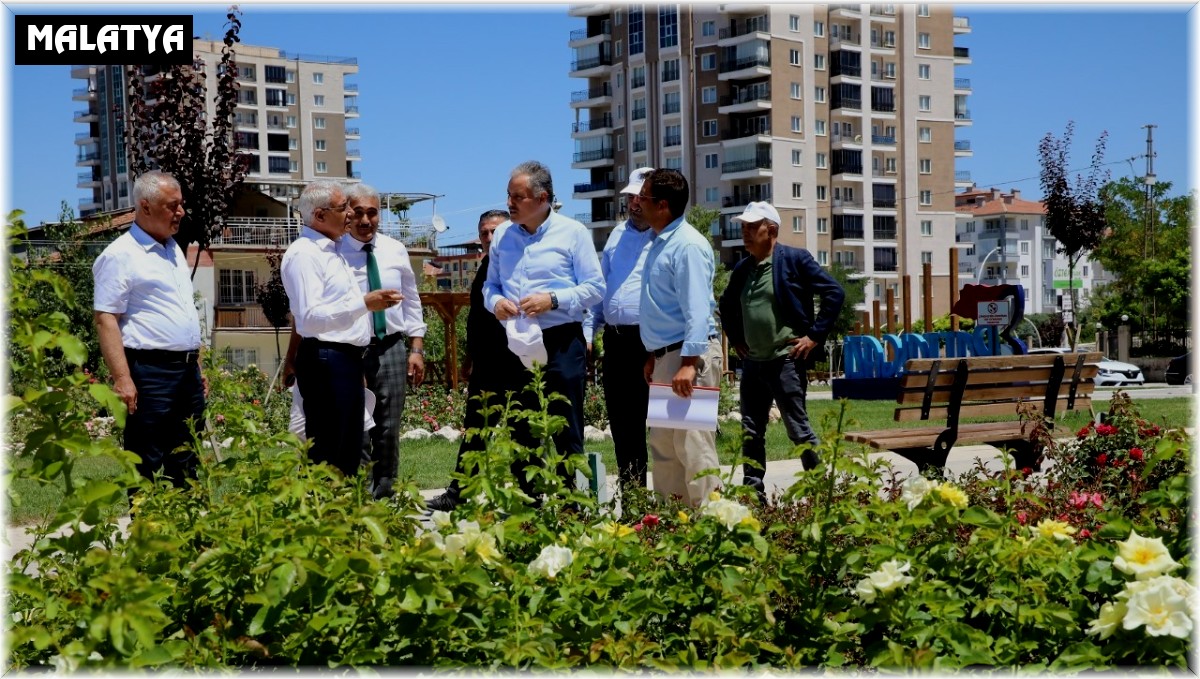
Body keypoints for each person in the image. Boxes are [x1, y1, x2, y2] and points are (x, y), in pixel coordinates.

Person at [483, 161, 604, 499]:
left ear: (543, 198)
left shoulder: (573, 233)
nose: (509, 203)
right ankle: (528, 508)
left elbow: (596, 288)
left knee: (566, 427)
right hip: (518, 341)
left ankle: (570, 507)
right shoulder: (503, 235)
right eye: (508, 195)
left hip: (561, 340)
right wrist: (496, 303)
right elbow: (490, 286)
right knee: (521, 428)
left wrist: (553, 299)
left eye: (517, 197)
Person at [718, 202, 846, 500]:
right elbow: (726, 303)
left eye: (752, 227)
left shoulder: (794, 260)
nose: (745, 232)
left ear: (771, 230)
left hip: (785, 361)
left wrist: (813, 336)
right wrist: (735, 337)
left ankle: (821, 493)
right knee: (751, 432)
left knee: (798, 429)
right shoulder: (743, 268)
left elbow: (834, 292)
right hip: (753, 364)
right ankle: (754, 496)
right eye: (743, 227)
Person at [281, 180, 403, 478]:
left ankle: (344, 505)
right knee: (330, 451)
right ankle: (326, 506)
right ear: (320, 215)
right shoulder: (305, 254)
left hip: (343, 359)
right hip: (326, 359)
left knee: (348, 450)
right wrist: (364, 303)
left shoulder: (331, 250)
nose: (350, 213)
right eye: (343, 208)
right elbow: (310, 318)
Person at [93, 170, 205, 488]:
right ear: (145, 206)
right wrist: (122, 378)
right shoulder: (120, 255)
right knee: (149, 459)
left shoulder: (173, 250)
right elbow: (106, 318)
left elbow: (182, 310)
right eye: (172, 205)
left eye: (181, 204)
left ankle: (186, 519)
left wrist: (197, 365)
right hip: (150, 373)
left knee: (187, 457)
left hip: (186, 372)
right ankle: (147, 520)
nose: (180, 212)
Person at [426, 209, 526, 511]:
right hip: (486, 364)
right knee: (476, 431)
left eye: (495, 231)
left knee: (521, 431)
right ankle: (459, 493)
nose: (489, 237)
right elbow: (477, 321)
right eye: (484, 232)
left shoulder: (518, 264)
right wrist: (469, 358)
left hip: (517, 362)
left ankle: (526, 496)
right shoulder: (484, 267)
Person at [636, 169, 723, 507]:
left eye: (643, 196)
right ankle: (674, 523)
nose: (637, 201)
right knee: (666, 448)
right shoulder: (661, 242)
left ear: (662, 205)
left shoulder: (687, 245)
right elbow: (664, 307)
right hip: (667, 357)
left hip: (689, 359)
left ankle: (712, 523)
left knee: (695, 446)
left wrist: (688, 363)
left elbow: (697, 309)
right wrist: (654, 355)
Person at [341, 183, 427, 499]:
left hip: (391, 346)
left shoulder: (395, 249)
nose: (365, 220)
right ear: (347, 214)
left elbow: (412, 300)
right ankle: (361, 495)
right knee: (358, 427)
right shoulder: (334, 252)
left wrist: (416, 347)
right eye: (358, 212)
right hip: (350, 350)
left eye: (372, 213)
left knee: (389, 426)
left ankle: (386, 492)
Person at [583, 167, 656, 491]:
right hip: (617, 343)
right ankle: (634, 504)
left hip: (657, 343)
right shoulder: (616, 235)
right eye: (631, 197)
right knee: (624, 428)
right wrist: (588, 332)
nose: (634, 203)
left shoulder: (670, 237)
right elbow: (601, 288)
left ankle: (680, 507)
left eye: (641, 197)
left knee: (672, 432)